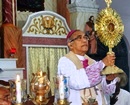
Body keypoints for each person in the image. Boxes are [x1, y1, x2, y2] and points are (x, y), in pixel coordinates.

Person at [56, 30, 117, 105]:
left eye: (85, 37)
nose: (84, 40)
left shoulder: (93, 62)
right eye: (79, 38)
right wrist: (102, 63)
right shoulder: (65, 61)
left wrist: (108, 80)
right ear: (70, 44)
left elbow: (106, 91)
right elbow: (76, 82)